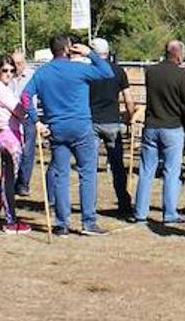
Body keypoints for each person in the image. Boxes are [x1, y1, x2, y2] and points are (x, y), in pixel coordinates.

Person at [19, 33, 116, 237]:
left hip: (57, 127)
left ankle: (62, 223)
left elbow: (25, 96)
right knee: (87, 174)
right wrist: (90, 53)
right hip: (81, 126)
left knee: (61, 175)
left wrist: (36, 120)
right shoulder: (79, 69)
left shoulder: (42, 72)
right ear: (68, 48)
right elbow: (107, 73)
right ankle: (88, 222)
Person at [133, 40, 185, 226]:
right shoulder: (182, 75)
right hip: (173, 127)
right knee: (171, 171)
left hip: (151, 126)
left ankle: (140, 212)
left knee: (146, 171)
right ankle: (169, 213)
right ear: (179, 54)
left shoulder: (151, 72)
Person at [89, 38, 135, 217]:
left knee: (89, 166)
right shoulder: (118, 71)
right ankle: (124, 203)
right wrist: (130, 117)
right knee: (117, 165)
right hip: (112, 122)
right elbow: (128, 99)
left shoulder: (89, 71)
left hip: (91, 121)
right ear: (108, 52)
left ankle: (89, 205)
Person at [0, 55, 32, 233]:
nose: (9, 74)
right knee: (8, 182)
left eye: (12, 71)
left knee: (5, 180)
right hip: (8, 137)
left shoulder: (3, 87)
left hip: (10, 134)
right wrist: (28, 107)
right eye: (5, 70)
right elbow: (19, 110)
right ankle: (11, 222)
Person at [11, 49, 37, 196]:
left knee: (27, 151)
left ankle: (23, 183)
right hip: (12, 118)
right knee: (14, 150)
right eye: (14, 63)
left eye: (19, 63)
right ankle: (11, 179)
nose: (17, 67)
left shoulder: (32, 75)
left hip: (28, 118)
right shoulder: (8, 76)